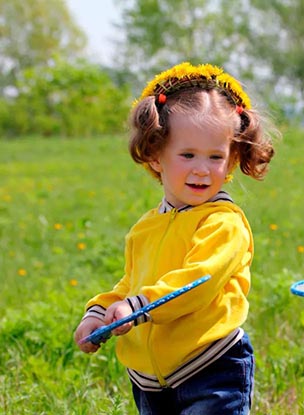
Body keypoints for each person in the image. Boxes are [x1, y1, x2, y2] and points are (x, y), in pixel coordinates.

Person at [74, 62, 277, 414]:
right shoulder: (146, 226)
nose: (202, 168)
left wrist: (138, 308)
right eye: (187, 155)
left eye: (216, 157)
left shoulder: (223, 223)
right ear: (155, 155)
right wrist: (101, 311)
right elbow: (133, 282)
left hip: (211, 369)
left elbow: (199, 280)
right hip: (150, 382)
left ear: (230, 162)